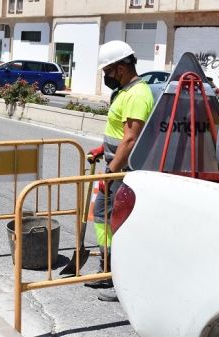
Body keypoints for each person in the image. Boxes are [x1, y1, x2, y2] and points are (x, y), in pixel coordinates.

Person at [87, 40, 153, 302]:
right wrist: (103, 149)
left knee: (121, 224)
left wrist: (110, 171)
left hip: (123, 172)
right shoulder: (126, 91)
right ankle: (108, 268)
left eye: (107, 71)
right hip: (115, 166)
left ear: (121, 67)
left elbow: (131, 140)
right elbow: (118, 135)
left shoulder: (137, 95)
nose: (106, 76)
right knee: (104, 215)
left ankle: (121, 279)